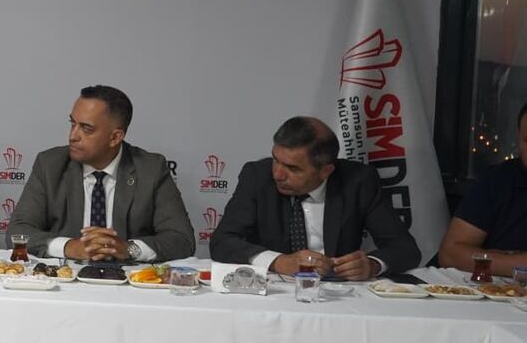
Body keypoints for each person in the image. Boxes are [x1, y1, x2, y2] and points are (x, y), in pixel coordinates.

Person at [210, 115, 421, 279]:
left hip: (339, 295)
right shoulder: (257, 176)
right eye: (276, 160)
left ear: (326, 171)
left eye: (293, 168)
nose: (278, 174)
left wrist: (373, 265)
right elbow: (222, 242)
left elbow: (405, 249)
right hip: (274, 291)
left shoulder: (358, 181)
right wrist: (279, 261)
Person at [7, 85, 193, 262]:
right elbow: (17, 231)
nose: (73, 136)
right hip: (66, 278)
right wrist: (69, 247)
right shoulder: (50, 165)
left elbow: (181, 239)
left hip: (128, 280)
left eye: (86, 129)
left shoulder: (151, 169)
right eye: (73, 124)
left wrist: (129, 249)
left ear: (115, 137)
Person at [438, 101, 527, 277]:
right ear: (518, 139)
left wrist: (496, 258)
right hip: (491, 290)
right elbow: (450, 255)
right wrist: (518, 263)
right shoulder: (499, 179)